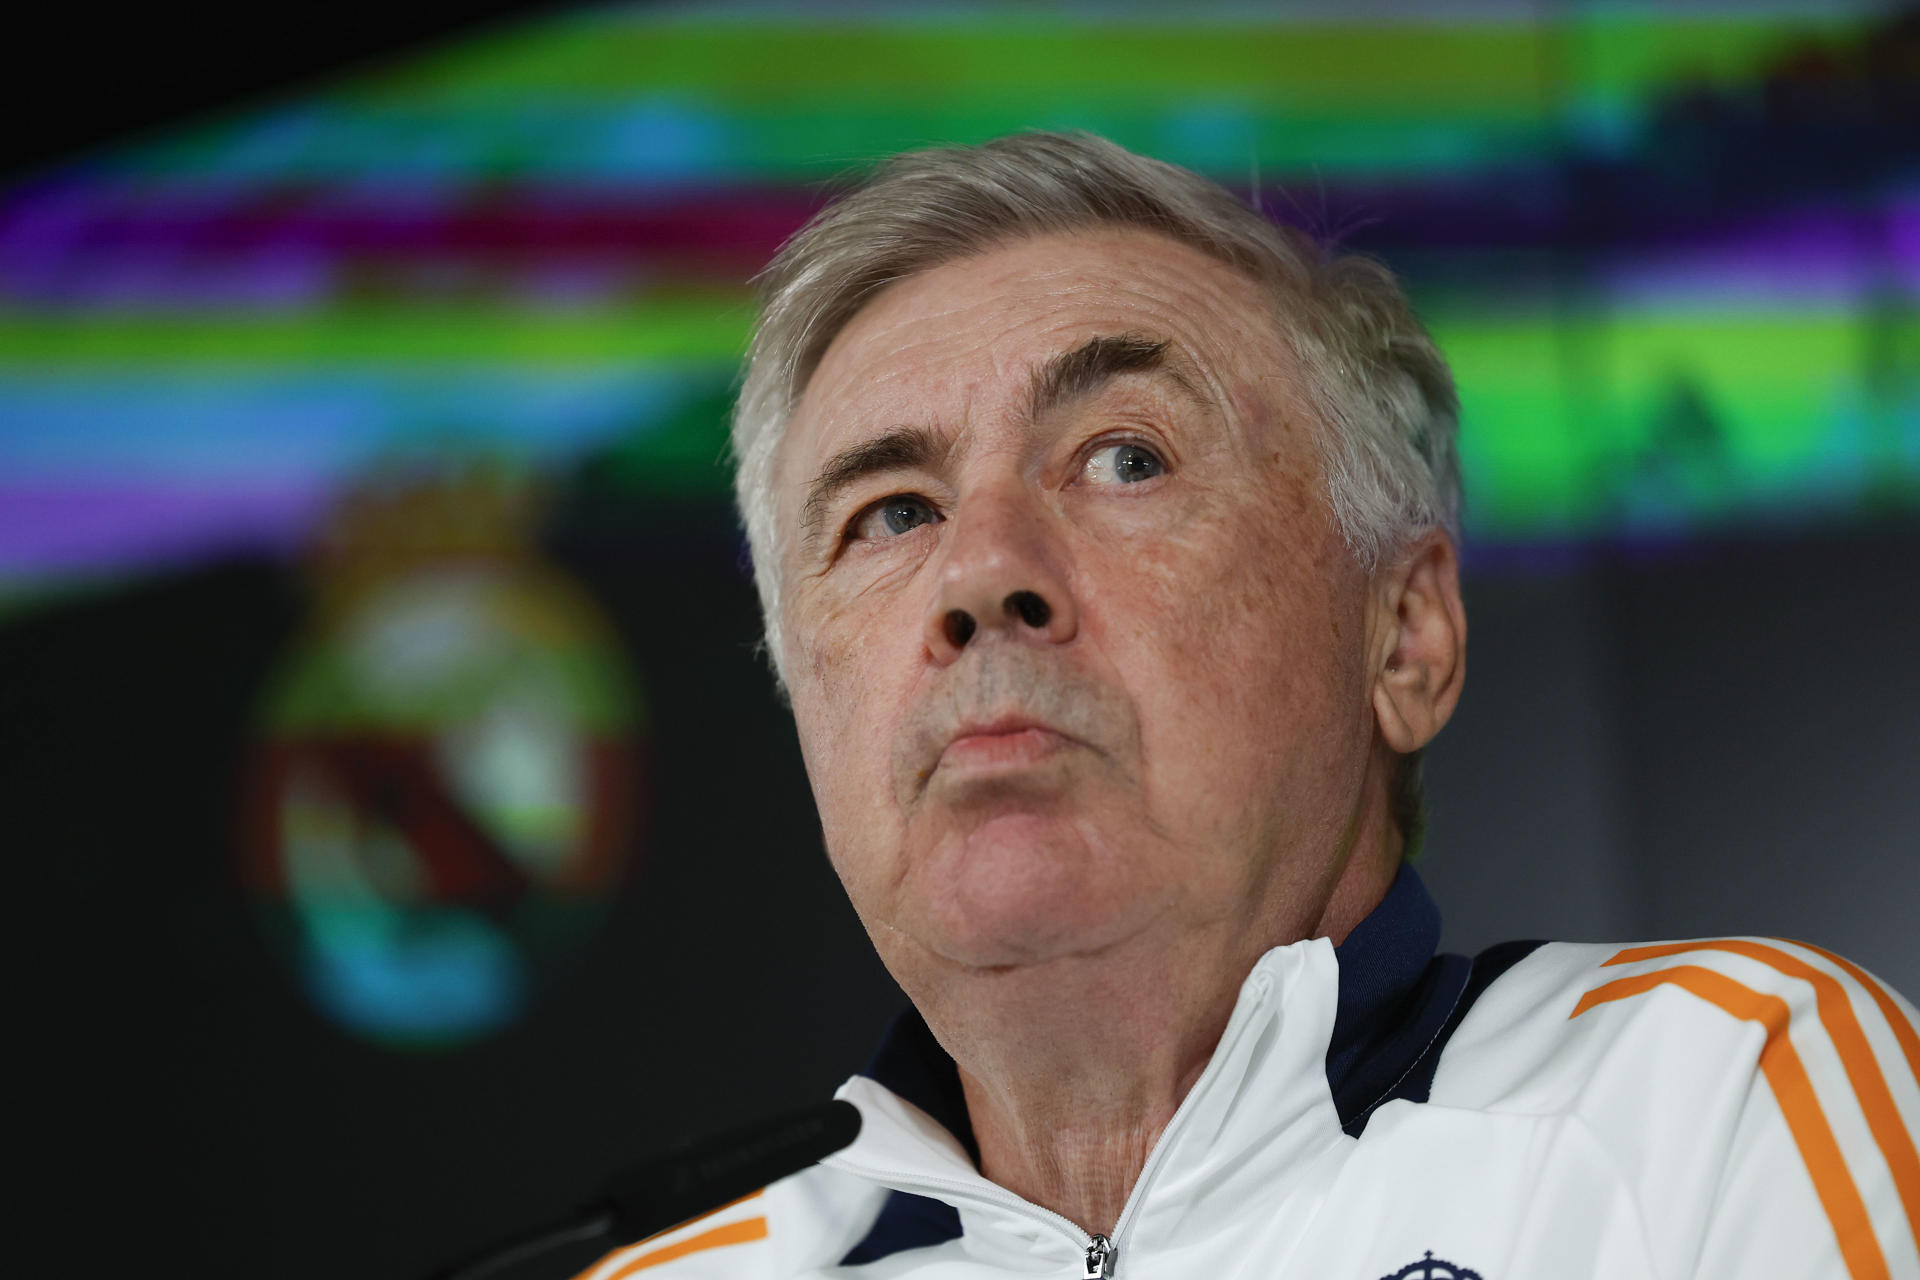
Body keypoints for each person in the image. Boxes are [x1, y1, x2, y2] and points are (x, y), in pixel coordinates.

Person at [582, 132, 1920, 1279]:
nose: (980, 572)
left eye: (1125, 458)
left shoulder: (1716, 1097)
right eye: (890, 514)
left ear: (1404, 637)